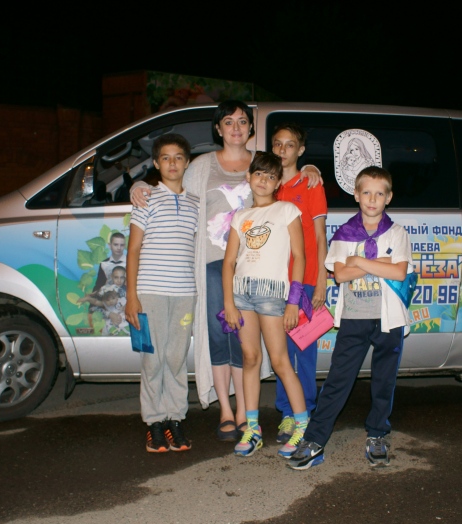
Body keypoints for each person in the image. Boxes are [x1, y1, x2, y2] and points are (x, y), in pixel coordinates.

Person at [131, 100, 322, 442]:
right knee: (221, 338)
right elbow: (171, 180)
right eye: (228, 121)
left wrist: (311, 168)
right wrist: (139, 185)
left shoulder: (264, 162)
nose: (236, 127)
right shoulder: (200, 166)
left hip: (258, 273)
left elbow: (289, 169)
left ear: (251, 128)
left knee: (251, 347)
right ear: (218, 128)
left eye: (243, 121)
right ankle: (226, 411)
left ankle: (251, 415)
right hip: (214, 265)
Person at [287, 166, 412, 470]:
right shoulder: (344, 234)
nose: (372, 199)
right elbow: (340, 275)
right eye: (366, 192)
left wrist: (359, 261)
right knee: (337, 380)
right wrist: (376, 263)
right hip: (355, 318)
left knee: (384, 380)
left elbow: (399, 272)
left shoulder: (397, 232)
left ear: (388, 197)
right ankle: (315, 439)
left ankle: (378, 434)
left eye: (379, 193)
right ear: (356, 195)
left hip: (389, 320)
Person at [221, 151, 309, 457]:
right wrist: (228, 303)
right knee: (250, 359)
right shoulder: (240, 217)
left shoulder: (287, 210)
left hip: (273, 295)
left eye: (271, 176)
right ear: (249, 177)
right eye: (258, 174)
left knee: (280, 361)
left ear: (278, 182)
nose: (263, 180)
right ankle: (253, 429)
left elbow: (299, 256)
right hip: (242, 294)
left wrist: (293, 302)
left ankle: (302, 427)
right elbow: (229, 262)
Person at [125, 133, 199, 453]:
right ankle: (154, 422)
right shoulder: (146, 199)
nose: (172, 163)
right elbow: (133, 250)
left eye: (178, 157)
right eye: (165, 158)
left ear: (187, 162)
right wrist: (131, 296)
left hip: (184, 294)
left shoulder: (195, 203)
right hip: (151, 293)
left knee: (176, 357)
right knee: (153, 359)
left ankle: (175, 419)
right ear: (156, 163)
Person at [269, 123, 328, 445]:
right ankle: (287, 413)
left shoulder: (310, 184)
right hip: (273, 284)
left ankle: (305, 411)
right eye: (277, 144)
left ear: (300, 150)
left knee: (304, 352)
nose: (283, 150)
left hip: (304, 283)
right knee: (280, 353)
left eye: (290, 145)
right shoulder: (267, 185)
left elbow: (319, 237)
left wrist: (321, 282)